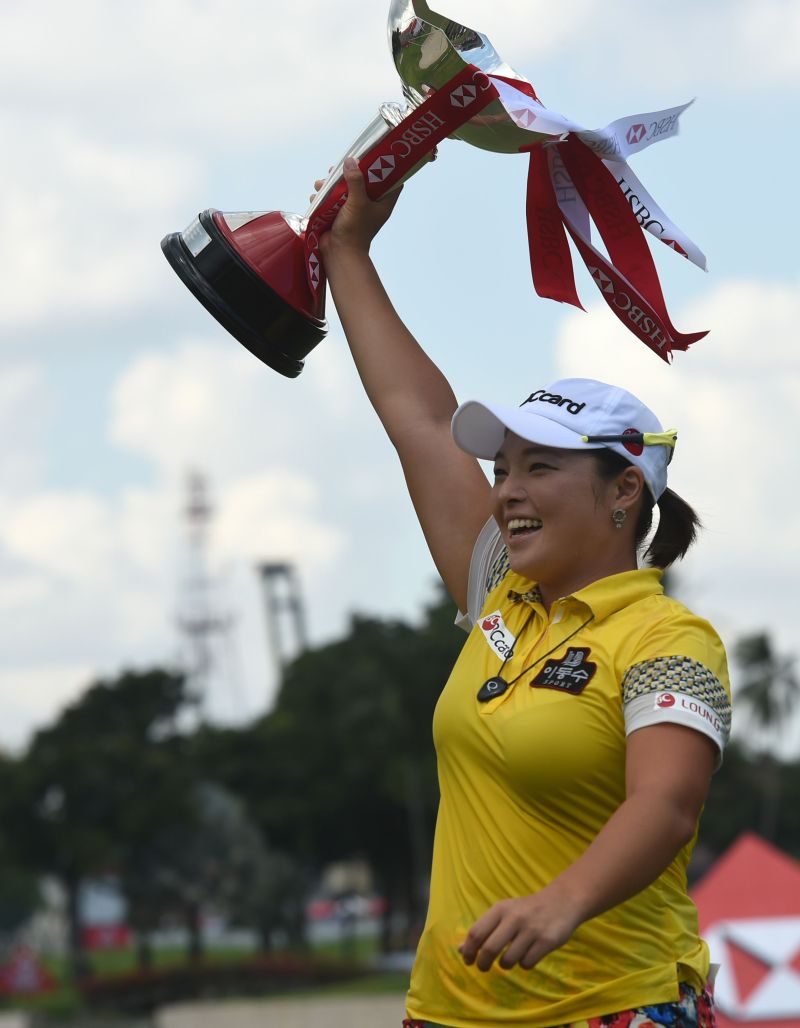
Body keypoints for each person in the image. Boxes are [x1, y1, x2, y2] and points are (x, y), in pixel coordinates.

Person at [316, 156, 731, 1028]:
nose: (505, 490)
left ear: (624, 492)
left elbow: (667, 803)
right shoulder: (500, 592)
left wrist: (563, 902)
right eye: (501, 468)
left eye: (539, 467)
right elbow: (420, 421)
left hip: (612, 1007)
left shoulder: (671, 640)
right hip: (449, 1012)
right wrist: (348, 248)